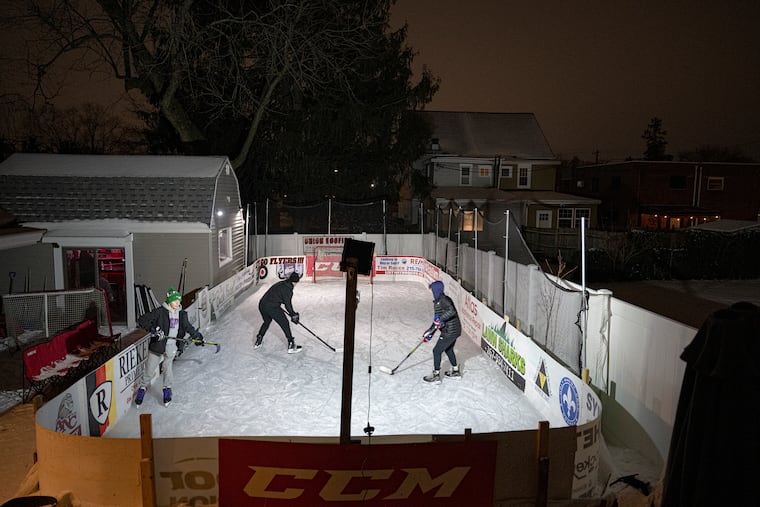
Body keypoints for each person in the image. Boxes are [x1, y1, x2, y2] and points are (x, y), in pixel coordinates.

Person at [135, 287, 204, 406]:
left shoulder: (181, 314)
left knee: (168, 368)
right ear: (169, 301)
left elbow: (187, 326)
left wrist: (196, 335)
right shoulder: (160, 312)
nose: (178, 303)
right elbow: (142, 320)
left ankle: (167, 389)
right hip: (158, 345)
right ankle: (142, 388)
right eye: (175, 300)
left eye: (179, 301)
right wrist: (154, 330)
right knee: (149, 370)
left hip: (171, 345)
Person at [422, 280, 462, 384]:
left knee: (436, 351)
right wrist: (430, 332)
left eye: (433, 290)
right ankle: (456, 371)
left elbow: (451, 311)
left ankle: (436, 375)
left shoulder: (444, 299)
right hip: (452, 330)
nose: (432, 292)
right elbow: (437, 319)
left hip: (450, 331)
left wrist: (441, 320)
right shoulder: (438, 301)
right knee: (448, 350)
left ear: (437, 290)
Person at [255, 271, 302, 353]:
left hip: (262, 304)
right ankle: (291, 345)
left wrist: (277, 302)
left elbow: (276, 295)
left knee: (267, 321)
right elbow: (288, 305)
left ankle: (259, 339)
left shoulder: (281, 283)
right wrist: (293, 314)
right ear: (296, 282)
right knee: (285, 323)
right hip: (272, 307)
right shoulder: (288, 290)